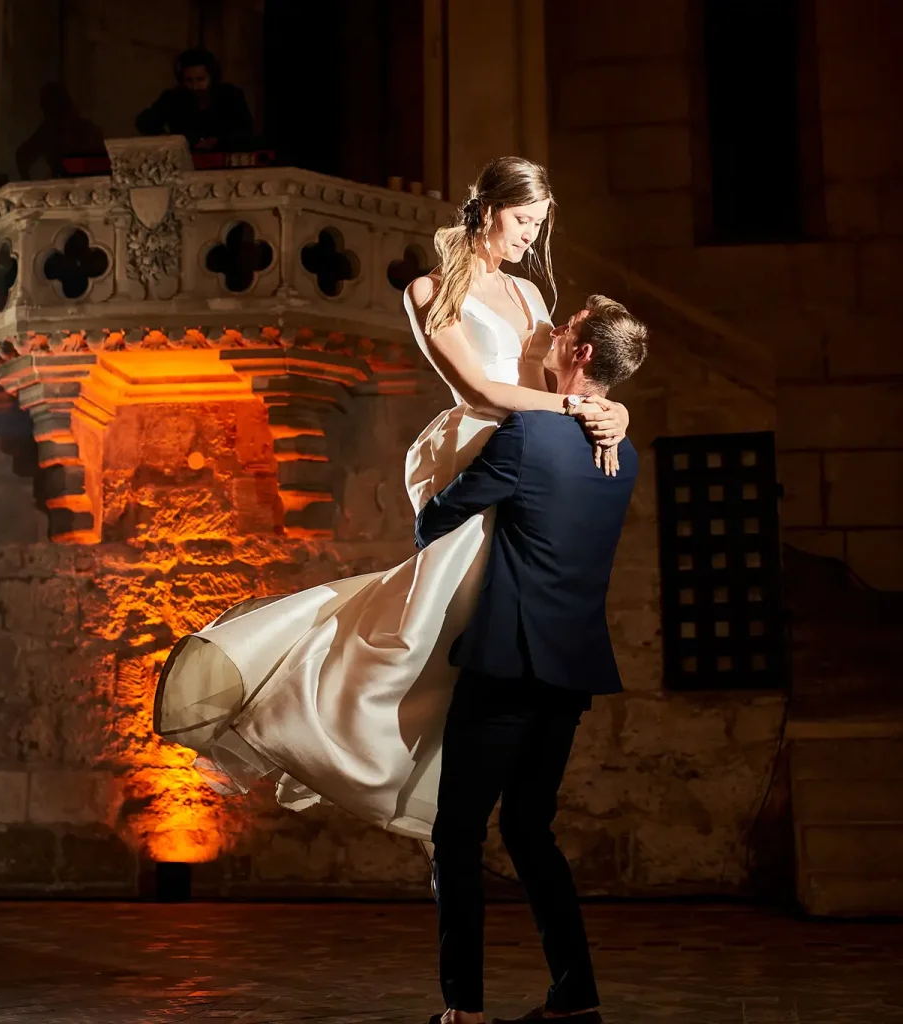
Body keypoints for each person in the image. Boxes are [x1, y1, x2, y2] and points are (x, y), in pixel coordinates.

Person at [152, 157, 630, 842]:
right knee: (427, 620)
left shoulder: (529, 294)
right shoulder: (429, 289)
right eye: (523, 220)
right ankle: (319, 713)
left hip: (531, 449)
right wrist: (578, 411)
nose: (531, 236)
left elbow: (567, 376)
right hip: (477, 445)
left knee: (485, 613)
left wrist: (613, 410)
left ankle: (466, 771)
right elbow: (480, 390)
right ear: (489, 208)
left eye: (539, 224)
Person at [418, 295, 648, 1024]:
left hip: (507, 664)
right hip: (571, 670)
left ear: (581, 354)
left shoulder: (527, 436)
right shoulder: (625, 454)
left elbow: (434, 522)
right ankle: (576, 997)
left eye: (566, 328)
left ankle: (464, 1011)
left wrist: (436, 473)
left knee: (457, 834)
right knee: (527, 829)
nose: (552, 330)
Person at [135, 47, 254, 151]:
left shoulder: (230, 95)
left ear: (212, 77)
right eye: (189, 80)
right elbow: (144, 122)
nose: (195, 86)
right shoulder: (174, 97)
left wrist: (218, 141)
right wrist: (167, 138)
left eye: (200, 79)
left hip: (222, 157)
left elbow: (246, 132)